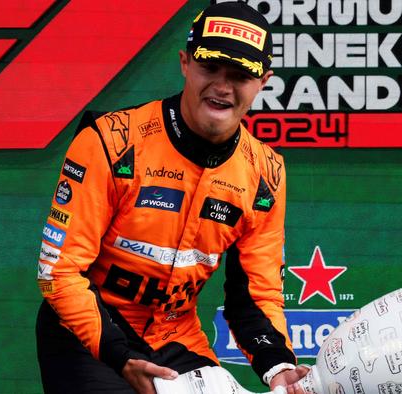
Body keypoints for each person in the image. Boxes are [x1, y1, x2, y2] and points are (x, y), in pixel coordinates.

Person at [35, 2, 308, 393]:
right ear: (185, 63)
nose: (222, 86)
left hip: (176, 338)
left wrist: (278, 364)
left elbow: (255, 293)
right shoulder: (111, 142)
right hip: (90, 331)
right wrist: (120, 355)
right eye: (210, 67)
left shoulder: (266, 174)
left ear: (263, 82)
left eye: (240, 75)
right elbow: (58, 273)